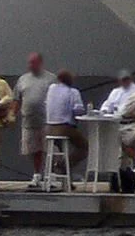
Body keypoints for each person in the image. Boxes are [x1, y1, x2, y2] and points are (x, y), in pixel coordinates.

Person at [14, 52, 53, 191]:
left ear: (40, 63)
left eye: (33, 62)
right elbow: (17, 99)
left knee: (49, 149)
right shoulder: (22, 79)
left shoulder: (51, 79)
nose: (30, 65)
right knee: (33, 150)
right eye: (29, 62)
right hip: (29, 121)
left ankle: (51, 176)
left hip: (46, 121)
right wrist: (12, 115)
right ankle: (37, 175)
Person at [44, 70, 85, 189]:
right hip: (64, 128)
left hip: (48, 128)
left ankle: (66, 181)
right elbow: (78, 110)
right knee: (84, 147)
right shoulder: (73, 92)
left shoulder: (51, 89)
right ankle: (63, 166)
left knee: (63, 149)